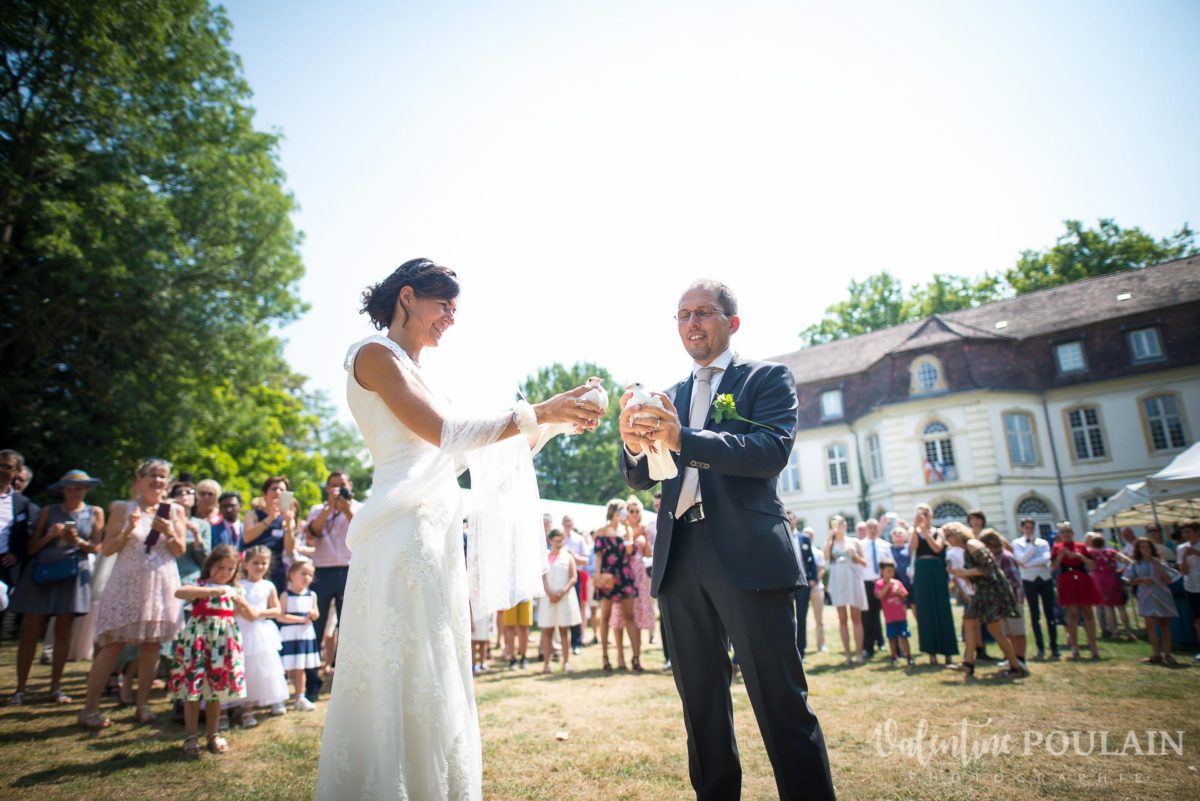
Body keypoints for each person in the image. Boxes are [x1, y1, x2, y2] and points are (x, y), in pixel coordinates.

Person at [314, 259, 602, 800]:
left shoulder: (426, 374)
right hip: (401, 534)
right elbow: (444, 433)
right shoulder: (374, 355)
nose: (450, 318)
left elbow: (465, 455)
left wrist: (558, 418)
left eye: (454, 309)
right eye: (443, 306)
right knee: (402, 663)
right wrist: (538, 410)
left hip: (438, 529)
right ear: (407, 297)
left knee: (436, 663)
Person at [619, 279, 835, 801]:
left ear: (731, 323)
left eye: (704, 313)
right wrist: (632, 446)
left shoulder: (767, 378)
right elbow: (643, 479)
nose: (691, 324)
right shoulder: (667, 395)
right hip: (679, 557)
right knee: (701, 707)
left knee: (780, 703)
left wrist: (683, 438)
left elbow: (769, 451)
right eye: (682, 315)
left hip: (747, 555)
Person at [78, 458, 186, 728]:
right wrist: (128, 530)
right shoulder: (121, 509)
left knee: (152, 646)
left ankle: (144, 705)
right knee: (113, 645)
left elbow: (179, 550)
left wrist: (170, 532)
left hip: (160, 585)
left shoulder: (174, 511)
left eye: (162, 476)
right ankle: (89, 709)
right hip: (127, 583)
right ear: (140, 479)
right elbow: (107, 549)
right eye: (152, 475)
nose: (157, 481)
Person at [7, 469, 105, 705]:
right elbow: (30, 548)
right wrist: (49, 536)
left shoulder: (95, 512)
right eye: (69, 488)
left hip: (72, 574)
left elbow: (98, 547)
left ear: (87, 490)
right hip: (42, 572)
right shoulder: (48, 512)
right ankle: (20, 689)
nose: (73, 492)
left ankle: (56, 688)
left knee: (63, 632)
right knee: (31, 630)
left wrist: (77, 541)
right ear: (63, 490)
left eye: (78, 488)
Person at [167, 545, 248, 755]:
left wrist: (241, 603)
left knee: (215, 691)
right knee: (194, 691)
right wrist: (213, 590)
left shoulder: (236, 590)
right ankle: (191, 736)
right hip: (198, 642)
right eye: (221, 567)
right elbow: (180, 592)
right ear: (210, 564)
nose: (225, 573)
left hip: (223, 644)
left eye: (231, 569)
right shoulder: (199, 585)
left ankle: (213, 734)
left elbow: (247, 614)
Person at [302, 471, 360, 702]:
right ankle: (312, 683)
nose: (336, 489)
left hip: (351, 570)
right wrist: (329, 508)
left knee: (350, 627)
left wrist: (345, 508)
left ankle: (349, 683)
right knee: (316, 627)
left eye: (341, 485)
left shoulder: (361, 507)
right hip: (322, 572)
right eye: (332, 486)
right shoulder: (318, 510)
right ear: (326, 488)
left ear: (350, 485)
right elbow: (313, 533)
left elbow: (363, 532)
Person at [942, 523, 1025, 678]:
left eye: (948, 536)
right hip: (982, 592)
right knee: (969, 622)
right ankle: (968, 663)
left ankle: (1016, 667)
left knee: (995, 630)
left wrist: (965, 572)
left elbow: (989, 568)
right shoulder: (966, 549)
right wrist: (960, 574)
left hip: (992, 591)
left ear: (957, 533)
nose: (947, 540)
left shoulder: (972, 544)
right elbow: (976, 573)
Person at [237, 545, 289, 722]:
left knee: (266, 666)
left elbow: (277, 609)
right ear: (245, 564)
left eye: (264, 563)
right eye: (255, 563)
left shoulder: (268, 585)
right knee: (246, 668)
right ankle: (244, 707)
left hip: (262, 631)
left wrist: (259, 614)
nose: (260, 567)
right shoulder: (239, 585)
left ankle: (270, 699)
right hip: (243, 630)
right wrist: (246, 613)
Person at [592, 498, 641, 671]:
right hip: (607, 577)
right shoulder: (601, 532)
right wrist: (597, 576)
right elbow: (598, 556)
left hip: (625, 575)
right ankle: (605, 657)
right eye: (623, 511)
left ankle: (636, 658)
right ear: (615, 512)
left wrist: (628, 533)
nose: (626, 514)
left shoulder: (626, 530)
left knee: (630, 616)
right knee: (605, 616)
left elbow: (630, 552)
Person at [911, 503, 958, 664]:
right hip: (922, 570)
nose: (923, 516)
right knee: (925, 610)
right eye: (920, 513)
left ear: (931, 515)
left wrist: (925, 531)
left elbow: (937, 548)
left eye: (926, 513)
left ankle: (948, 651)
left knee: (942, 608)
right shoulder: (915, 532)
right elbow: (913, 547)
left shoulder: (939, 532)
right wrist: (915, 527)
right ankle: (930, 651)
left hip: (937, 570)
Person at [0, 450, 38, 641]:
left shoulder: (21, 503)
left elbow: (25, 537)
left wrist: (16, 554)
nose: (1, 470)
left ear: (17, 471)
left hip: (3, 566)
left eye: (6, 466)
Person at [1051, 522, 1101, 659]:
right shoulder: (1057, 547)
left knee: (1088, 612)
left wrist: (1080, 557)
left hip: (1082, 578)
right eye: (1063, 532)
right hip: (1067, 579)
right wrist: (1061, 555)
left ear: (1072, 533)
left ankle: (1093, 646)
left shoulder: (1082, 546)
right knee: (1072, 613)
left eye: (1068, 532)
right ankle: (1074, 646)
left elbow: (1092, 565)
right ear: (1060, 535)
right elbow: (1053, 566)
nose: (1066, 535)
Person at [1125, 538, 1179, 665]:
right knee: (1149, 622)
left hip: (1162, 594)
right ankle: (1156, 654)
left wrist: (1157, 564)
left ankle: (1167, 653)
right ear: (1138, 549)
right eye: (1142, 547)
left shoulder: (1159, 562)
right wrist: (1140, 580)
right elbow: (1128, 579)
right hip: (1145, 595)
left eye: (1147, 547)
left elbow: (1169, 579)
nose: (1145, 550)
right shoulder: (1135, 564)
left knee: (1164, 623)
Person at [1011, 517, 1059, 660]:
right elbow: (1021, 560)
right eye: (1027, 527)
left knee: (1050, 613)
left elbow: (1046, 558)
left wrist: (1029, 563)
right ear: (1022, 528)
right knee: (1034, 614)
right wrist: (1031, 548)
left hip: (1045, 578)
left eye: (1031, 527)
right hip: (1029, 580)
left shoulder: (1043, 542)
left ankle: (1054, 646)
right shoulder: (1017, 543)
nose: (1029, 530)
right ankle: (1040, 648)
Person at [980, 530, 1028, 668]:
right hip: (1002, 602)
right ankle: (1013, 658)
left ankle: (1021, 659)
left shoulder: (1006, 557)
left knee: (1017, 631)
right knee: (1007, 631)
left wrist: (996, 585)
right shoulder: (993, 558)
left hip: (1013, 600)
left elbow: (1014, 581)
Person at [241, 476, 298, 594]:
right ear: (264, 493)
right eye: (274, 489)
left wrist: (288, 524)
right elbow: (247, 538)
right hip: (253, 567)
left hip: (276, 569)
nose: (278, 492)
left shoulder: (288, 518)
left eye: (282, 490)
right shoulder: (253, 514)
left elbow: (289, 549)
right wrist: (270, 518)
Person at [824, 516, 867, 666]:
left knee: (856, 618)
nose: (839, 526)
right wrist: (830, 537)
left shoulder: (854, 542)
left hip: (853, 579)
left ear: (846, 525)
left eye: (841, 523)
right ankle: (847, 654)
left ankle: (859, 654)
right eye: (836, 524)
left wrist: (853, 554)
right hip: (838, 581)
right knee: (842, 619)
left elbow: (864, 562)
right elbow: (826, 557)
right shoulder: (831, 543)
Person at [538, 528, 581, 674]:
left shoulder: (568, 557)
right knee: (547, 631)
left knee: (564, 630)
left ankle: (566, 662)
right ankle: (546, 664)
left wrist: (562, 592)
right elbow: (542, 577)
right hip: (548, 597)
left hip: (564, 597)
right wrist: (550, 593)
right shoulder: (545, 557)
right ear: (550, 541)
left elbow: (573, 577)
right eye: (556, 541)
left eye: (561, 540)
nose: (559, 543)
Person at [278, 560, 320, 711]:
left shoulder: (312, 595)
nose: (307, 577)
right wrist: (301, 619)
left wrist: (313, 615)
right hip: (289, 634)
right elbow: (280, 616)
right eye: (303, 573)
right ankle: (280, 698)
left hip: (305, 635)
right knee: (285, 667)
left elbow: (316, 613)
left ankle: (300, 697)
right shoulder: (285, 595)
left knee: (300, 667)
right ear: (291, 575)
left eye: (310, 575)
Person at [1086, 532, 1135, 640]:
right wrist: (1121, 570)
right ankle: (1128, 632)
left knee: (1108, 608)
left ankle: (1114, 632)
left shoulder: (1091, 554)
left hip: (1099, 581)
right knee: (1121, 607)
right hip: (1114, 578)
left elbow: (1088, 566)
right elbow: (1129, 561)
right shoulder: (1111, 552)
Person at [857, 518, 891, 657]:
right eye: (869, 527)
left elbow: (890, 564)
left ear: (878, 529)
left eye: (875, 527)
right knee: (868, 616)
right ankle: (868, 646)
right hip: (867, 583)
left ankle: (882, 641)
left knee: (883, 614)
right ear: (866, 529)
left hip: (882, 583)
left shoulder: (885, 545)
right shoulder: (860, 545)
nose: (872, 529)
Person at [790, 517, 820, 657]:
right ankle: (789, 649)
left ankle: (801, 651)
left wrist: (813, 578)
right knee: (788, 618)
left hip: (803, 583)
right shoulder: (779, 536)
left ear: (795, 520)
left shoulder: (804, 538)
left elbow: (811, 560)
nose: (790, 520)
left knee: (802, 617)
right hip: (787, 584)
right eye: (787, 518)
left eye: (792, 518)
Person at [874, 560, 912, 667]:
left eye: (892, 571)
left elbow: (905, 596)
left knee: (904, 636)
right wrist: (888, 586)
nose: (890, 574)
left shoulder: (897, 583)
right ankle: (893, 657)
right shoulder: (879, 583)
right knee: (891, 638)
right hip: (890, 618)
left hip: (901, 616)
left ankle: (909, 656)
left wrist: (899, 591)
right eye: (888, 571)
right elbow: (879, 596)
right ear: (882, 571)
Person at [1176, 519, 1200, 661]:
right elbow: (1183, 571)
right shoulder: (1181, 548)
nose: (1186, 535)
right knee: (1198, 619)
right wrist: (1184, 557)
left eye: (1188, 531)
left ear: (1197, 532)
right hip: (1192, 587)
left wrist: (1197, 553)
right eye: (1184, 532)